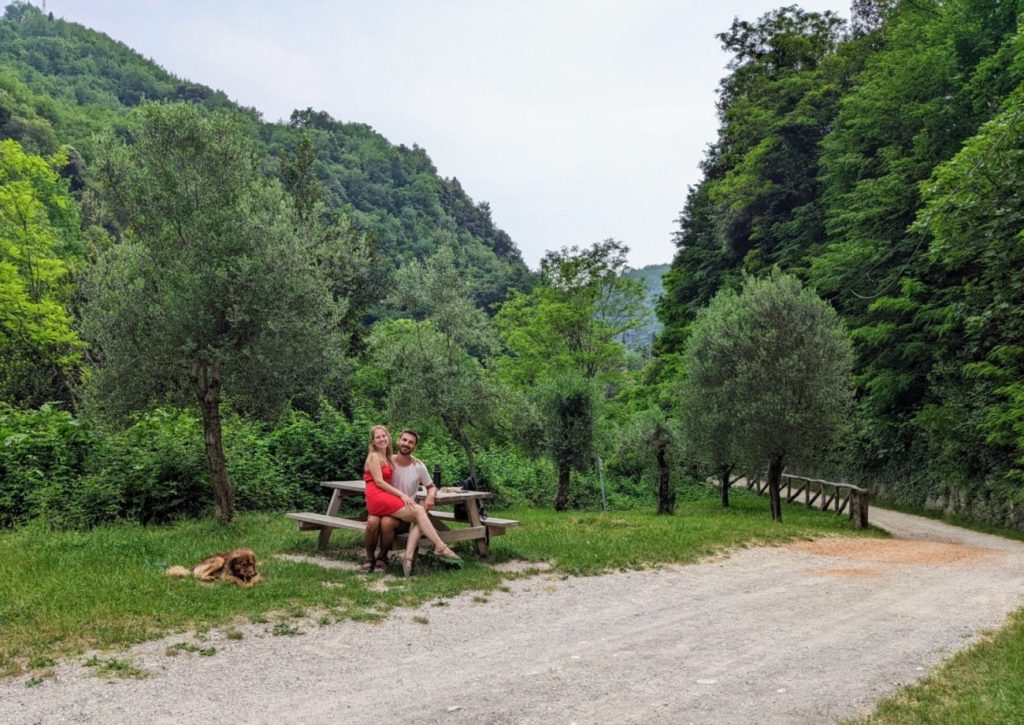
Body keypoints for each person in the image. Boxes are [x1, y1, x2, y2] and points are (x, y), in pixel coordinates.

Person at [362, 425, 461, 576]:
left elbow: (431, 486)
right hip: (384, 501)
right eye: (404, 440)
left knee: (389, 522)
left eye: (410, 442)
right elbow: (379, 481)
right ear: (398, 440)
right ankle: (371, 559)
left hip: (395, 510)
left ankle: (383, 558)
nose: (406, 444)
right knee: (373, 522)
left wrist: (430, 496)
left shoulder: (416, 465)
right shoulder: (386, 459)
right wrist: (402, 495)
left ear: (415, 446)